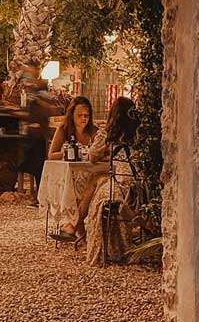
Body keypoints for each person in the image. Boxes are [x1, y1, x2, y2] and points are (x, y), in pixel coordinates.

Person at [82, 97, 140, 264]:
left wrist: (108, 155)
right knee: (98, 181)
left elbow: (93, 156)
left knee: (97, 183)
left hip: (120, 184)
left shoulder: (108, 133)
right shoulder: (139, 133)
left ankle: (81, 230)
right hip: (139, 185)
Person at [15, 65, 61, 204]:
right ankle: (35, 194)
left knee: (38, 165)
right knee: (31, 164)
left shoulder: (42, 86)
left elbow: (49, 106)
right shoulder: (28, 87)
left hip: (39, 132)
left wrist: (37, 101)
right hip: (30, 131)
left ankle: (40, 196)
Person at [48, 96, 97, 161]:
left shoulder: (94, 130)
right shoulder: (63, 129)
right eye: (80, 115)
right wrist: (72, 152)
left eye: (86, 115)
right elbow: (51, 156)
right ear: (71, 115)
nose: (83, 118)